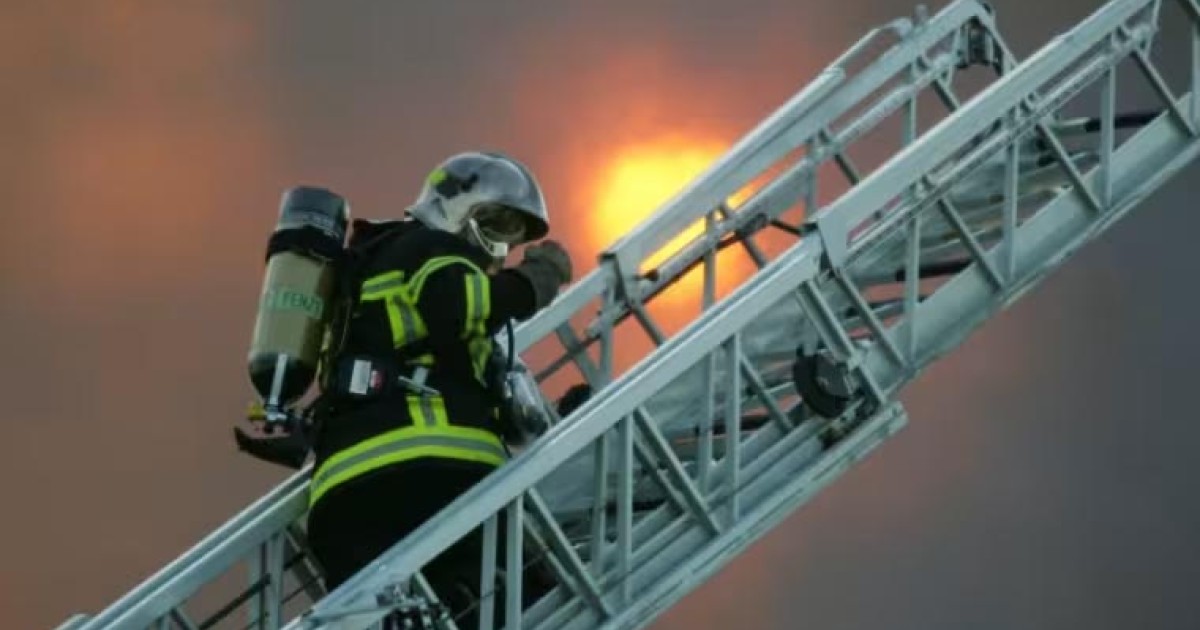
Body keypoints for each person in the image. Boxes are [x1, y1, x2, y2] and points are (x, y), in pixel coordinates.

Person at [303, 151, 572, 626]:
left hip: (342, 493)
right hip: (428, 468)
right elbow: (464, 303)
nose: (499, 246)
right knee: (526, 595)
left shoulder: (368, 271)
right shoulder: (431, 250)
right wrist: (537, 280)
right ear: (457, 208)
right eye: (495, 225)